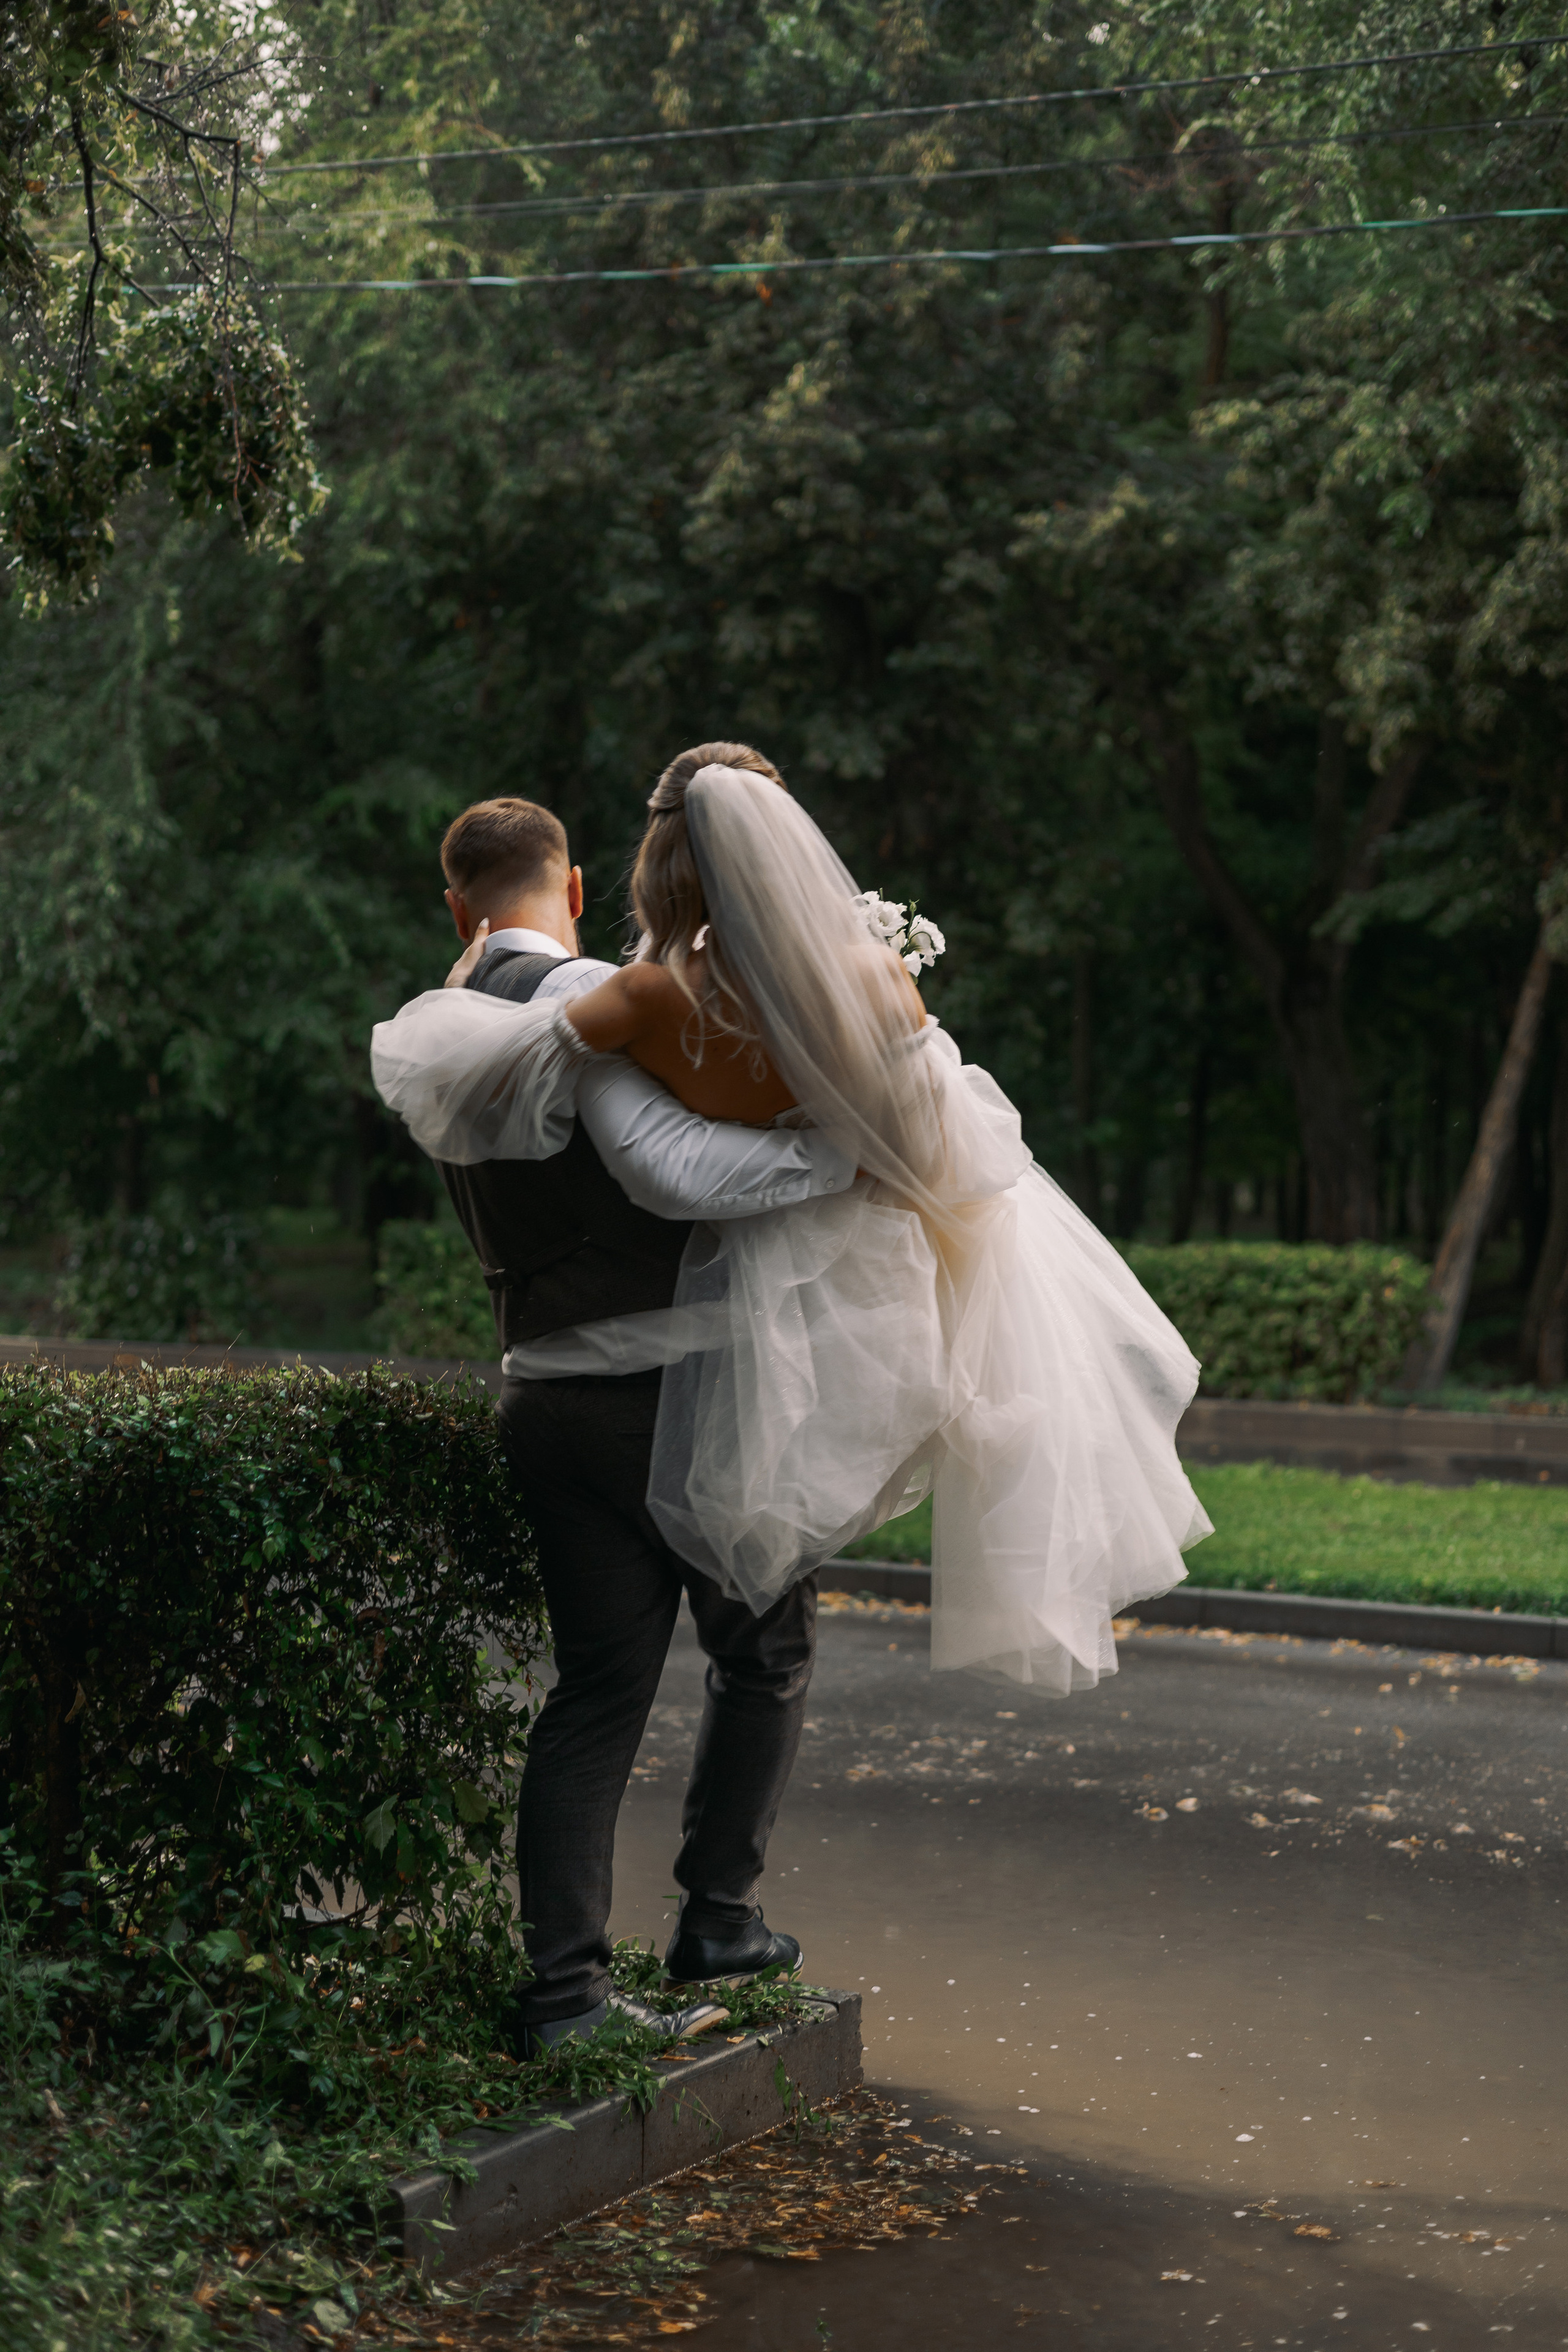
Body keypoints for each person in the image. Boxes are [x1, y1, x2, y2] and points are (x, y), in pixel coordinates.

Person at [387, 786, 858, 2057]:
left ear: (457, 903)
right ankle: (717, 1919)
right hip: (673, 1388)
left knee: (595, 1694)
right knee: (765, 1649)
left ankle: (564, 1996)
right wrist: (851, 1150)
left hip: (543, 1392)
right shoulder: (582, 1003)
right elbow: (679, 1172)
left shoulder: (447, 1022)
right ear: (578, 886)